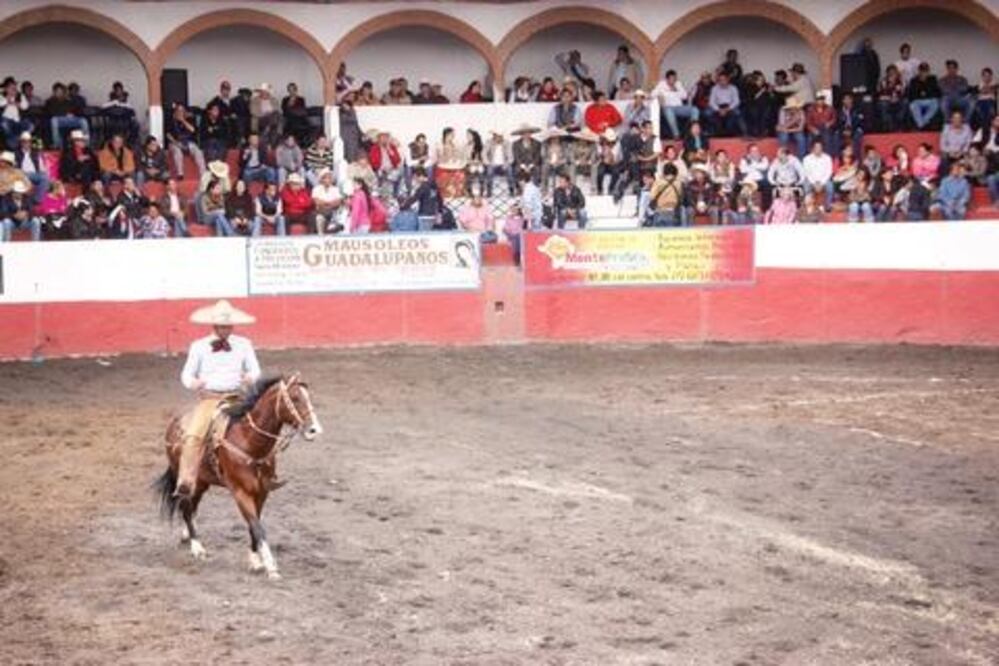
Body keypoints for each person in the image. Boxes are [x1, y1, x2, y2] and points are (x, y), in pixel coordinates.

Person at [176, 300, 262, 500]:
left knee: (262, 427)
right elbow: (186, 374)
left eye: (229, 326)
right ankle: (186, 480)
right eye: (223, 326)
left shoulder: (244, 344)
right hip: (210, 399)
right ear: (214, 326)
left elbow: (255, 369)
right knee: (193, 435)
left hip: (237, 397)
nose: (226, 330)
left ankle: (266, 472)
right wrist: (193, 383)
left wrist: (250, 377)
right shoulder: (198, 347)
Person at [652, 70, 699, 140]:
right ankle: (676, 134)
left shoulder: (678, 84)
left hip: (679, 107)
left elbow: (685, 96)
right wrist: (659, 96)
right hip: (667, 107)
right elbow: (652, 94)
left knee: (694, 109)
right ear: (667, 79)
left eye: (675, 79)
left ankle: (692, 131)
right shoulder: (661, 84)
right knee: (669, 111)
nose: (673, 81)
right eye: (672, 79)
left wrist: (676, 89)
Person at [44, 82, 88, 151]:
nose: (59, 93)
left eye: (61, 91)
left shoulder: (69, 100)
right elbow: (51, 112)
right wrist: (64, 114)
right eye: (57, 91)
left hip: (70, 119)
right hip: (59, 120)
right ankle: (57, 145)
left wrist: (73, 113)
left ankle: (86, 144)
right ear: (54, 92)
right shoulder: (50, 101)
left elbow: (78, 111)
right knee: (54, 120)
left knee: (83, 121)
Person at [395, 167, 442, 231]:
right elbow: (440, 200)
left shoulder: (423, 187)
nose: (416, 180)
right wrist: (439, 212)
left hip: (424, 214)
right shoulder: (434, 185)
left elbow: (414, 198)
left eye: (415, 178)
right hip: (433, 214)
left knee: (423, 234)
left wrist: (403, 207)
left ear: (420, 176)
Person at [168, 103, 206, 179]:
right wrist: (176, 143)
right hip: (175, 142)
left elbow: (192, 130)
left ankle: (203, 174)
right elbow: (168, 135)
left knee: (198, 152)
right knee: (177, 152)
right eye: (178, 111)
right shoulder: (171, 121)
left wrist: (183, 121)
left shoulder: (189, 119)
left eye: (182, 111)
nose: (180, 112)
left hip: (188, 142)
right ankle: (180, 173)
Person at [14, 132, 48, 206]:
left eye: (28, 141)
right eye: (24, 141)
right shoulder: (16, 153)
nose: (26, 143)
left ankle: (37, 200)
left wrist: (43, 172)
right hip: (22, 174)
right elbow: (14, 168)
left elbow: (41, 166)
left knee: (45, 177)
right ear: (21, 142)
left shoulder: (35, 153)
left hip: (35, 174)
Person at [707, 72, 746, 137]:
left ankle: (744, 132)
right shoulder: (714, 88)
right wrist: (719, 110)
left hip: (729, 106)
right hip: (718, 106)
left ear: (728, 80)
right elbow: (711, 102)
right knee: (707, 113)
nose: (722, 82)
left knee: (738, 112)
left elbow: (736, 101)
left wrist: (727, 109)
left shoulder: (733, 88)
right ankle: (713, 131)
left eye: (724, 80)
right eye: (720, 80)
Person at [908, 63, 942, 130]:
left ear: (928, 71)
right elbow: (912, 94)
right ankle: (922, 124)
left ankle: (921, 124)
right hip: (918, 101)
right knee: (913, 105)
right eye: (922, 71)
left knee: (936, 103)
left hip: (930, 100)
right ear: (919, 71)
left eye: (925, 71)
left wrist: (925, 84)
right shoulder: (914, 80)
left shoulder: (933, 79)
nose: (923, 73)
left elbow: (937, 93)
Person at [368, 130, 403, 197]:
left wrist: (390, 151)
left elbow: (398, 160)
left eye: (386, 137)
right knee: (384, 177)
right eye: (382, 137)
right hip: (380, 169)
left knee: (398, 173)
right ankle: (385, 195)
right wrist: (380, 168)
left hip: (391, 169)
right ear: (379, 139)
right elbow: (372, 161)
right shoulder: (374, 148)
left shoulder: (392, 147)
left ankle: (394, 195)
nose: (384, 139)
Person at [802, 141, 834, 211]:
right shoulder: (806, 159)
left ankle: (827, 206)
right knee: (806, 185)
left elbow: (829, 172)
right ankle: (809, 206)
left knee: (830, 186)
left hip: (824, 180)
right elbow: (807, 173)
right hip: (811, 180)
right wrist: (814, 183)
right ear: (812, 148)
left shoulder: (827, 158)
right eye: (816, 147)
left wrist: (821, 183)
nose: (818, 149)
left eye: (820, 147)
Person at [312, 168, 346, 234]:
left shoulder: (335, 189)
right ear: (322, 180)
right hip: (320, 211)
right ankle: (320, 236)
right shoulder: (316, 189)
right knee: (319, 218)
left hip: (333, 211)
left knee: (336, 213)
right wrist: (329, 203)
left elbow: (338, 201)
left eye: (329, 178)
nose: (328, 180)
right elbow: (317, 201)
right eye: (326, 178)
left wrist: (326, 204)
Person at [1, 78, 32, 149]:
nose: (13, 89)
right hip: (6, 120)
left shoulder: (20, 96)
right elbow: (1, 103)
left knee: (30, 125)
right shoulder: (2, 95)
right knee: (4, 124)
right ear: (6, 88)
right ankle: (15, 142)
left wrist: (17, 104)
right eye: (11, 87)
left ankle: (15, 141)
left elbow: (25, 106)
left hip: (18, 121)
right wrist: (8, 98)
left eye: (14, 87)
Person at [876, 65, 907, 133]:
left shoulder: (901, 81)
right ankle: (888, 127)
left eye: (894, 73)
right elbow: (880, 96)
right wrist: (889, 98)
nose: (892, 75)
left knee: (905, 102)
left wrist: (897, 98)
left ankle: (899, 123)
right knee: (883, 104)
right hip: (887, 102)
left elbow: (904, 93)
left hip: (898, 101)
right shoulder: (883, 82)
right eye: (890, 73)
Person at [511, 124, 542, 190]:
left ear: (531, 134)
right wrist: (523, 166)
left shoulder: (537, 143)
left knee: (537, 170)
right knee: (517, 170)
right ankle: (519, 189)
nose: (526, 135)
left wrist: (531, 165)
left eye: (528, 133)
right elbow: (516, 157)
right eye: (524, 133)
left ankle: (535, 189)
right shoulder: (516, 144)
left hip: (533, 163)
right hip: (521, 163)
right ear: (521, 135)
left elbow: (537, 156)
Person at [484, 130, 511, 197]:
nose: (496, 138)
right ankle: (489, 192)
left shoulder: (507, 143)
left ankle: (512, 191)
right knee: (489, 171)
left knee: (510, 170)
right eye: (495, 136)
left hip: (504, 164)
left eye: (498, 136)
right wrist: (487, 162)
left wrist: (506, 164)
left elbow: (510, 157)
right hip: (492, 164)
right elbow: (484, 153)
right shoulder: (489, 142)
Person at [837, 93, 865, 158]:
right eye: (845, 99)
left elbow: (859, 122)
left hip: (855, 129)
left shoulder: (858, 109)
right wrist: (843, 130)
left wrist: (851, 131)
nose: (847, 101)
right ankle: (840, 158)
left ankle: (856, 159)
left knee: (857, 135)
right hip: (844, 130)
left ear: (851, 100)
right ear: (843, 101)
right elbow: (838, 123)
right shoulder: (839, 111)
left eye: (849, 99)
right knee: (836, 136)